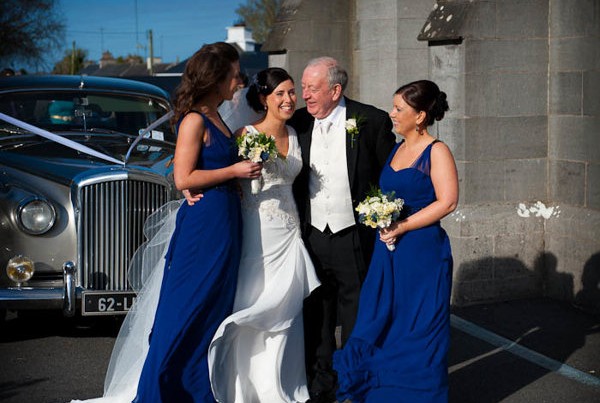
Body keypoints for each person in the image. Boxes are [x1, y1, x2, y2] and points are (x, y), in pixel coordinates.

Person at [70, 42, 263, 403]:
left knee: (211, 310)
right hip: (203, 227)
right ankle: (161, 388)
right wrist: (234, 170)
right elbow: (183, 179)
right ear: (217, 78)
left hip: (225, 225)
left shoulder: (220, 116)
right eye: (236, 75)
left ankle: (192, 390)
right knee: (184, 310)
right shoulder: (194, 120)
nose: (240, 82)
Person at [333, 80, 458, 403]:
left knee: (418, 329)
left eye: (399, 109)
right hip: (388, 253)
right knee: (383, 322)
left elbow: (447, 202)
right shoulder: (397, 148)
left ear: (420, 116)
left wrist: (401, 226)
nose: (392, 114)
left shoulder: (437, 150)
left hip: (422, 254)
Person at [207, 67, 320, 402]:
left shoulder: (296, 135)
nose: (288, 100)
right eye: (280, 94)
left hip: (289, 234)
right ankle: (245, 388)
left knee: (287, 310)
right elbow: (220, 174)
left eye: (291, 92)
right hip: (257, 234)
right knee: (255, 304)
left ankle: (280, 386)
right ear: (262, 99)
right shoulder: (245, 134)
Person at [289, 57, 396, 402]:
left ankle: (354, 381)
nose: (304, 94)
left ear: (336, 90)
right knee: (317, 313)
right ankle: (320, 384)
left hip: (354, 235)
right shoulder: (299, 122)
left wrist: (386, 217)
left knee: (356, 313)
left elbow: (389, 177)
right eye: (303, 86)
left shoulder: (372, 121)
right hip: (312, 233)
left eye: (312, 87)